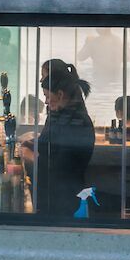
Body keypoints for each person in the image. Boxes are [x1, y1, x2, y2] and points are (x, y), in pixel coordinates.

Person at [18, 59, 94, 219]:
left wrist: (28, 155)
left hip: (65, 199)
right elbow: (49, 145)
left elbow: (59, 166)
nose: (45, 101)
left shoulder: (77, 122)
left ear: (60, 94)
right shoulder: (60, 115)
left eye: (47, 96)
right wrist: (31, 143)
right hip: (52, 193)